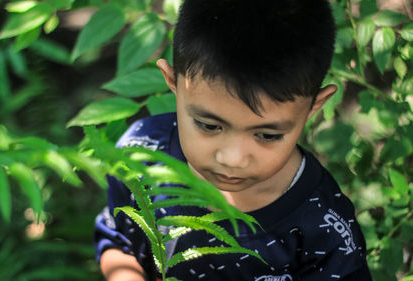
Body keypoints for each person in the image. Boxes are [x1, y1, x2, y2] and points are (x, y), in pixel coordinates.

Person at [94, 0, 373, 280]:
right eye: (209, 126)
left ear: (315, 106)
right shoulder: (143, 153)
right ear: (173, 82)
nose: (232, 159)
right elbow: (119, 240)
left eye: (267, 135)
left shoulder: (324, 224)